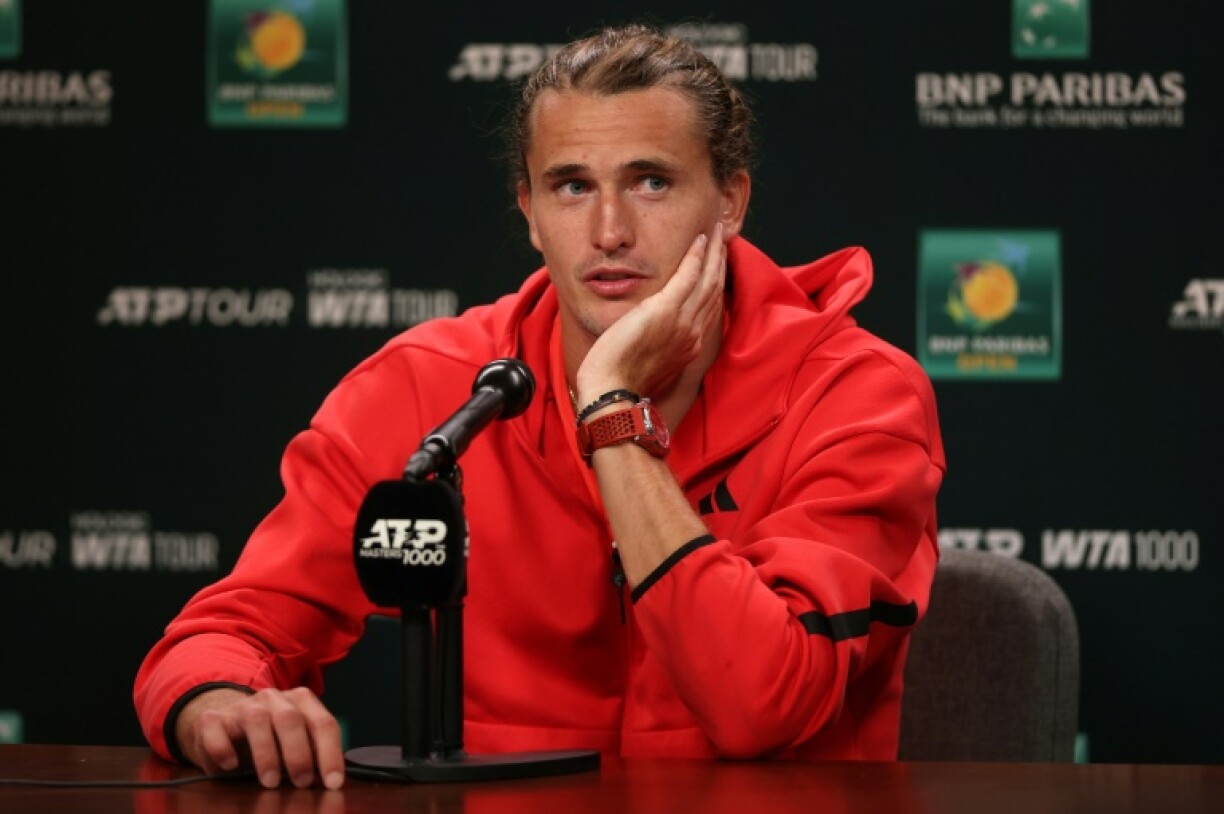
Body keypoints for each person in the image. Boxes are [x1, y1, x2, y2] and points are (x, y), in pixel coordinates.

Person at [134, 24, 945, 790]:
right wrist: (224, 704)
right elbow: (223, 636)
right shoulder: (430, 386)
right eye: (571, 187)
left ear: (730, 201)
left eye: (651, 181)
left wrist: (612, 409)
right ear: (528, 212)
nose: (609, 230)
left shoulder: (856, 396)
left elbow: (761, 704)